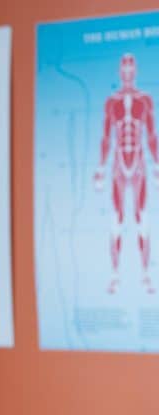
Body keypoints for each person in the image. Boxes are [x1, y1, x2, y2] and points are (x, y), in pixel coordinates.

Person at [94, 53, 158, 294]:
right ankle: (115, 275)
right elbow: (105, 137)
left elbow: (151, 136)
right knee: (116, 220)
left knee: (143, 219)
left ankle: (145, 275)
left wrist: (157, 166)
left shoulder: (145, 100)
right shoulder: (111, 102)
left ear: (136, 71)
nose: (128, 73)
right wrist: (100, 168)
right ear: (120, 72)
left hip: (139, 164)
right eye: (125, 68)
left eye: (132, 68)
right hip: (119, 165)